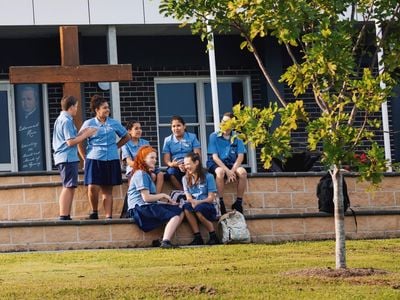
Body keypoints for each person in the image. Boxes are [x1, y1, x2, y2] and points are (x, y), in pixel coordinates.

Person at [79, 94, 130, 219]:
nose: (107, 110)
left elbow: (127, 136)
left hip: (111, 159)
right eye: (104, 108)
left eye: (108, 107)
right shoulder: (89, 123)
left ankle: (108, 217)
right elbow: (79, 140)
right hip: (94, 158)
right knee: (92, 187)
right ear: (97, 110)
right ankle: (94, 212)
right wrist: (84, 157)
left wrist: (116, 147)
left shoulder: (114, 123)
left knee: (107, 190)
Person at [127, 145, 184, 249]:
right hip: (139, 209)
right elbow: (146, 198)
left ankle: (163, 239)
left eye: (155, 158)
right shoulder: (141, 174)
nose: (155, 160)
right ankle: (166, 242)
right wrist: (163, 195)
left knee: (178, 210)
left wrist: (167, 203)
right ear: (143, 159)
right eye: (152, 158)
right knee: (175, 216)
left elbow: (150, 200)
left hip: (145, 206)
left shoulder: (145, 174)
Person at [52, 95, 97, 220]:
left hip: (66, 157)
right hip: (67, 157)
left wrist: (82, 133)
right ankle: (63, 215)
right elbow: (70, 142)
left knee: (70, 186)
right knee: (68, 186)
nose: (77, 109)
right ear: (71, 107)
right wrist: (86, 135)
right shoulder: (66, 121)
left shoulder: (62, 119)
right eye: (76, 107)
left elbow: (71, 137)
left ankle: (66, 214)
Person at [120, 121, 164, 217]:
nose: (139, 130)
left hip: (148, 166)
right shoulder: (125, 144)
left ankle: (155, 198)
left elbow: (151, 157)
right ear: (129, 131)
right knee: (138, 178)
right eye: (136, 128)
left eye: (140, 128)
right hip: (134, 167)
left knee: (160, 174)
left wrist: (149, 167)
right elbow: (128, 161)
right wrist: (142, 167)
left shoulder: (145, 142)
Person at [206, 112, 248, 214]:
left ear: (233, 124)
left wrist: (232, 171)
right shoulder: (214, 136)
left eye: (227, 122)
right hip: (216, 163)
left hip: (231, 164)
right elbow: (215, 157)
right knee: (220, 172)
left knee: (242, 172)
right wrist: (227, 171)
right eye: (223, 121)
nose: (224, 124)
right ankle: (220, 202)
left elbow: (240, 157)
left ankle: (238, 202)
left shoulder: (238, 137)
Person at [182, 152, 219, 245]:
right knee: (187, 208)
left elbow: (211, 198)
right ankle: (198, 237)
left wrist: (198, 202)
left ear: (196, 163)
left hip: (207, 204)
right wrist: (192, 201)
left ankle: (213, 236)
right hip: (194, 203)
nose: (186, 167)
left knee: (199, 209)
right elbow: (188, 196)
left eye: (188, 164)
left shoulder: (209, 176)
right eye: (185, 164)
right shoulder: (185, 178)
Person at [162, 115, 201, 190]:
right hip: (176, 165)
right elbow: (166, 159)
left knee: (193, 172)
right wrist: (172, 164)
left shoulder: (192, 137)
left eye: (178, 125)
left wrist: (188, 164)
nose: (176, 128)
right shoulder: (168, 140)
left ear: (184, 126)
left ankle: (194, 192)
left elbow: (197, 155)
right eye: (173, 126)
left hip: (190, 163)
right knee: (171, 173)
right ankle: (184, 193)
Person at [16, 85, 45, 171]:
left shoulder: (39, 116)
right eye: (23, 99)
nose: (25, 103)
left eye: (29, 99)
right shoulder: (18, 117)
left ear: (36, 102)